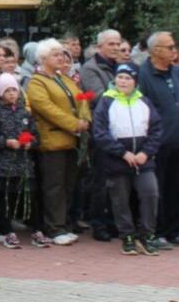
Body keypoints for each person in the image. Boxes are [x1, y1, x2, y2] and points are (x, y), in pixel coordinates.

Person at [92, 63, 163, 255]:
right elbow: (100, 132)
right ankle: (127, 236)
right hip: (117, 160)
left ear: (135, 82)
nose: (123, 81)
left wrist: (145, 152)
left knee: (150, 194)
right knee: (120, 200)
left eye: (128, 78)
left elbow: (156, 130)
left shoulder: (144, 101)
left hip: (142, 160)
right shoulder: (106, 101)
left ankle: (146, 235)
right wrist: (122, 153)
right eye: (120, 77)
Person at [26, 38, 91, 246]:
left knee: (68, 184)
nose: (61, 57)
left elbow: (81, 98)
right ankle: (54, 228)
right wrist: (74, 123)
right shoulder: (37, 81)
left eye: (62, 54)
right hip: (52, 140)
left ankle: (64, 224)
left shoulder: (64, 78)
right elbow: (46, 108)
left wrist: (85, 119)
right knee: (53, 186)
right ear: (43, 58)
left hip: (72, 140)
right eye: (56, 54)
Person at [0, 73, 45, 249]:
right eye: (7, 90)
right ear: (1, 93)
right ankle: (7, 231)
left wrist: (29, 143)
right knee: (5, 198)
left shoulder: (25, 112)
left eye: (14, 90)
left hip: (24, 163)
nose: (11, 94)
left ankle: (37, 229)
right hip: (3, 164)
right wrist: (5, 142)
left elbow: (36, 136)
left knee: (30, 196)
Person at [79, 29, 126, 241]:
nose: (116, 48)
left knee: (120, 180)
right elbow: (99, 97)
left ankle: (115, 221)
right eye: (111, 44)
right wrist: (124, 90)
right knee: (100, 180)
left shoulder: (122, 67)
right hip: (102, 129)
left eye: (118, 43)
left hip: (123, 129)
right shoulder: (90, 68)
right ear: (100, 47)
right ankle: (98, 223)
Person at [137, 31, 179, 248]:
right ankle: (156, 232)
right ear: (155, 50)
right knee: (158, 189)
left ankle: (174, 229)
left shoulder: (177, 72)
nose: (175, 51)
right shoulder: (144, 75)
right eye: (171, 47)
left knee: (177, 186)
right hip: (158, 143)